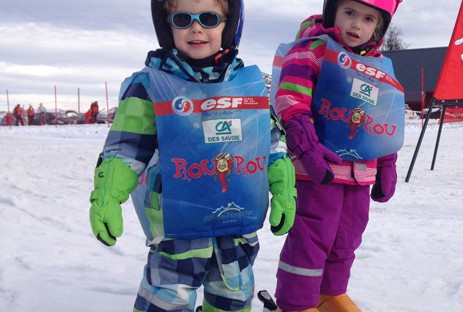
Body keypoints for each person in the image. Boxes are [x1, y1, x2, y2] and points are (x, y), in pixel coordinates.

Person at [88, 1, 296, 311]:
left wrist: (283, 188)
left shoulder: (246, 86)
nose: (195, 28)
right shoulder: (151, 85)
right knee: (165, 300)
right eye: (182, 19)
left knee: (234, 297)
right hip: (177, 228)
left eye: (209, 18)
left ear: (228, 26)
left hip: (235, 223)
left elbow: (270, 142)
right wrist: (107, 195)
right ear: (166, 25)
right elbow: (126, 147)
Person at [270, 0, 405, 311]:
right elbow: (292, 98)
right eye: (349, 13)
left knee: (347, 237)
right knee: (312, 237)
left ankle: (330, 292)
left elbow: (382, 119)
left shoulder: (380, 67)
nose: (357, 25)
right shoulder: (315, 50)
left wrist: (387, 162)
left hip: (360, 174)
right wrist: (304, 142)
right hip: (320, 169)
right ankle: (297, 302)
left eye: (368, 18)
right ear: (333, 12)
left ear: (379, 26)